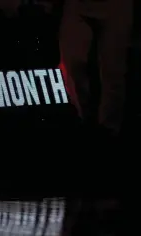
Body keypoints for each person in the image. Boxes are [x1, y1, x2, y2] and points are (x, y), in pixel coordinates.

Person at [59, 0, 133, 136]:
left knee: (113, 70)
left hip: (117, 5)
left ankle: (109, 129)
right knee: (73, 64)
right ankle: (84, 118)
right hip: (77, 5)